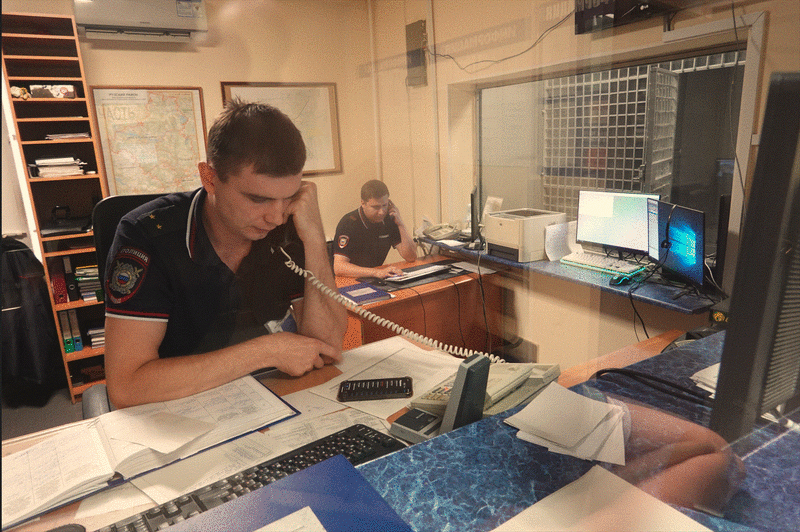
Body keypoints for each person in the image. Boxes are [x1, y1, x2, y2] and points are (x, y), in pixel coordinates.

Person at [103, 100, 347, 408]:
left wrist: (313, 236)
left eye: (288, 197)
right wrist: (267, 351)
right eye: (258, 199)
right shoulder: (147, 236)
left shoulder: (289, 224)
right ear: (210, 178)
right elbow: (127, 387)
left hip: (275, 398)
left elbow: (327, 347)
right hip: (179, 408)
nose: (276, 217)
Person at [332, 179, 417, 278]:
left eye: (384, 205)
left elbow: (411, 257)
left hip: (374, 277)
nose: (381, 212)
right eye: (376, 207)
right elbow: (339, 267)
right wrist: (376, 272)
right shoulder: (348, 223)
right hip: (349, 278)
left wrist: (400, 224)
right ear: (363, 203)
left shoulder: (389, 218)